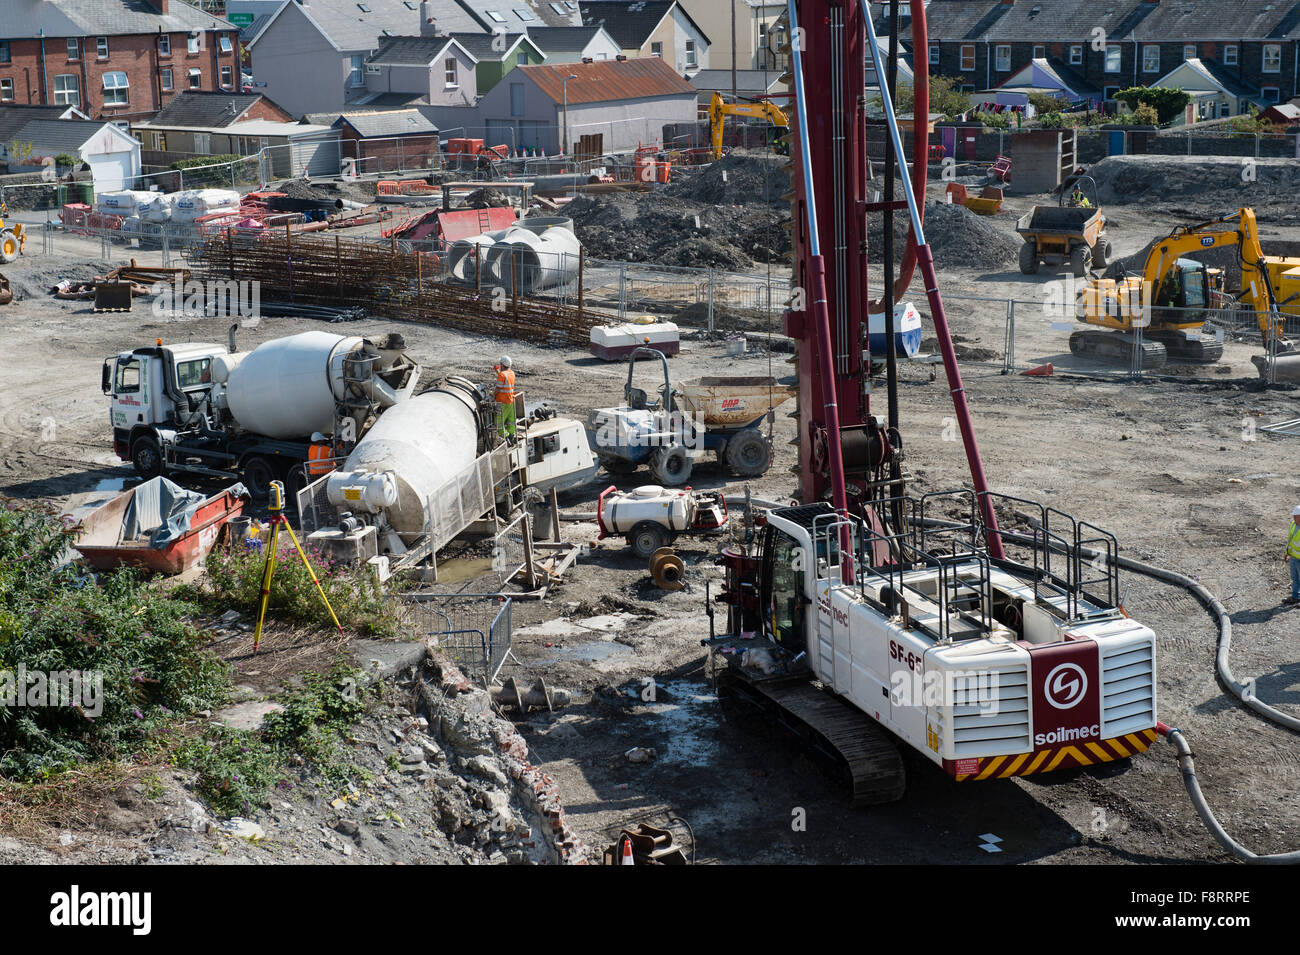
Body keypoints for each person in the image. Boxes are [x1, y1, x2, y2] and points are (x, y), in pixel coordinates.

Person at [494, 355, 518, 438]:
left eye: (500, 364)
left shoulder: (502, 375)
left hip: (502, 402)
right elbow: (505, 380)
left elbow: (498, 387)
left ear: (502, 365)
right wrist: (498, 372)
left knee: (498, 421)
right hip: (510, 400)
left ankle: (505, 437)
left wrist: (493, 395)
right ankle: (511, 435)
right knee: (510, 420)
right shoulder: (511, 373)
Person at [1285, 506, 1300, 605]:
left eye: (1296, 516)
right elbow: (1290, 541)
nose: (1294, 518)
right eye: (1293, 516)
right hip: (1294, 557)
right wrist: (1287, 554)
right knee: (1295, 578)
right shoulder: (1293, 525)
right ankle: (1295, 597)